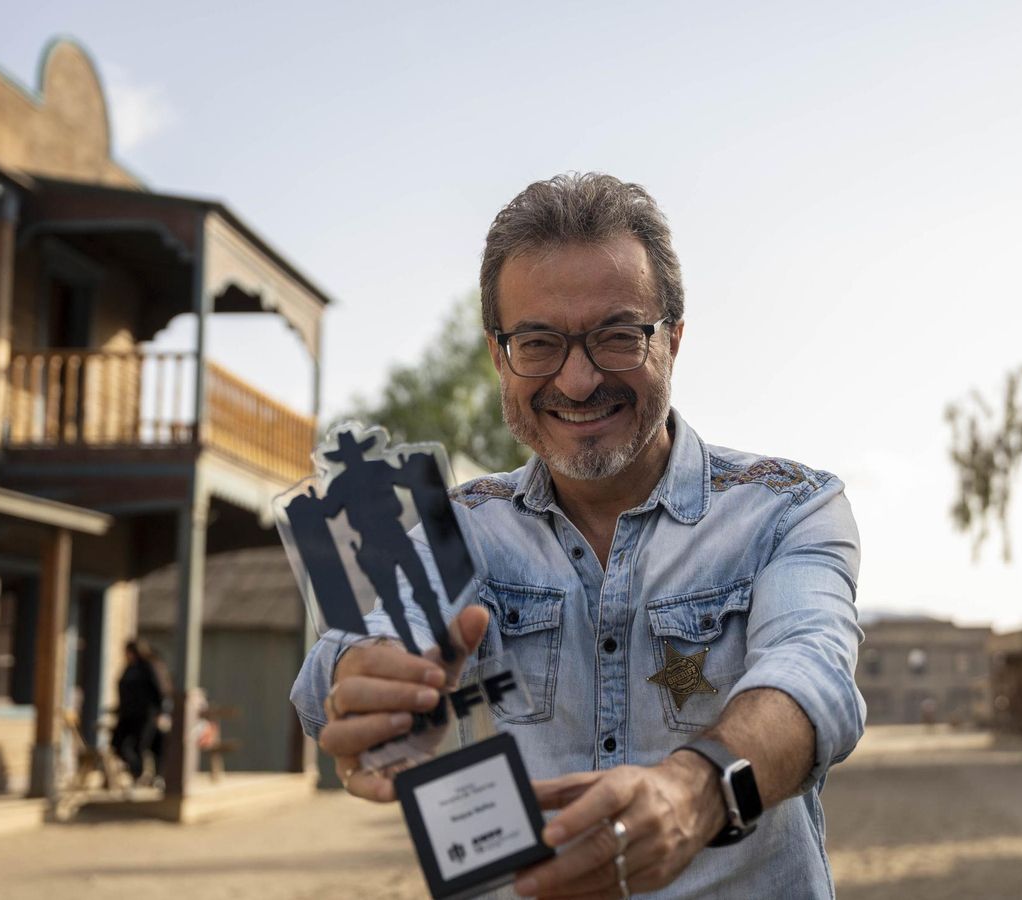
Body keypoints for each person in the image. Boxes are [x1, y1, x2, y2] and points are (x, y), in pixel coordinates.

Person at [290, 173, 864, 899]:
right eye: (538, 343)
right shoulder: (457, 525)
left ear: (674, 340)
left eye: (617, 336)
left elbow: (812, 678)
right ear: (499, 356)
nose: (580, 378)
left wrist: (697, 791)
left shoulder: (789, 509)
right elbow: (345, 658)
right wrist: (359, 679)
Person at [111, 639, 163, 785]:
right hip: (127, 715)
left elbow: (157, 690)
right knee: (118, 744)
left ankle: (139, 775)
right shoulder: (129, 668)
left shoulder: (147, 668)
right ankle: (136, 771)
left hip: (145, 715)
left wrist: (160, 712)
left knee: (141, 745)